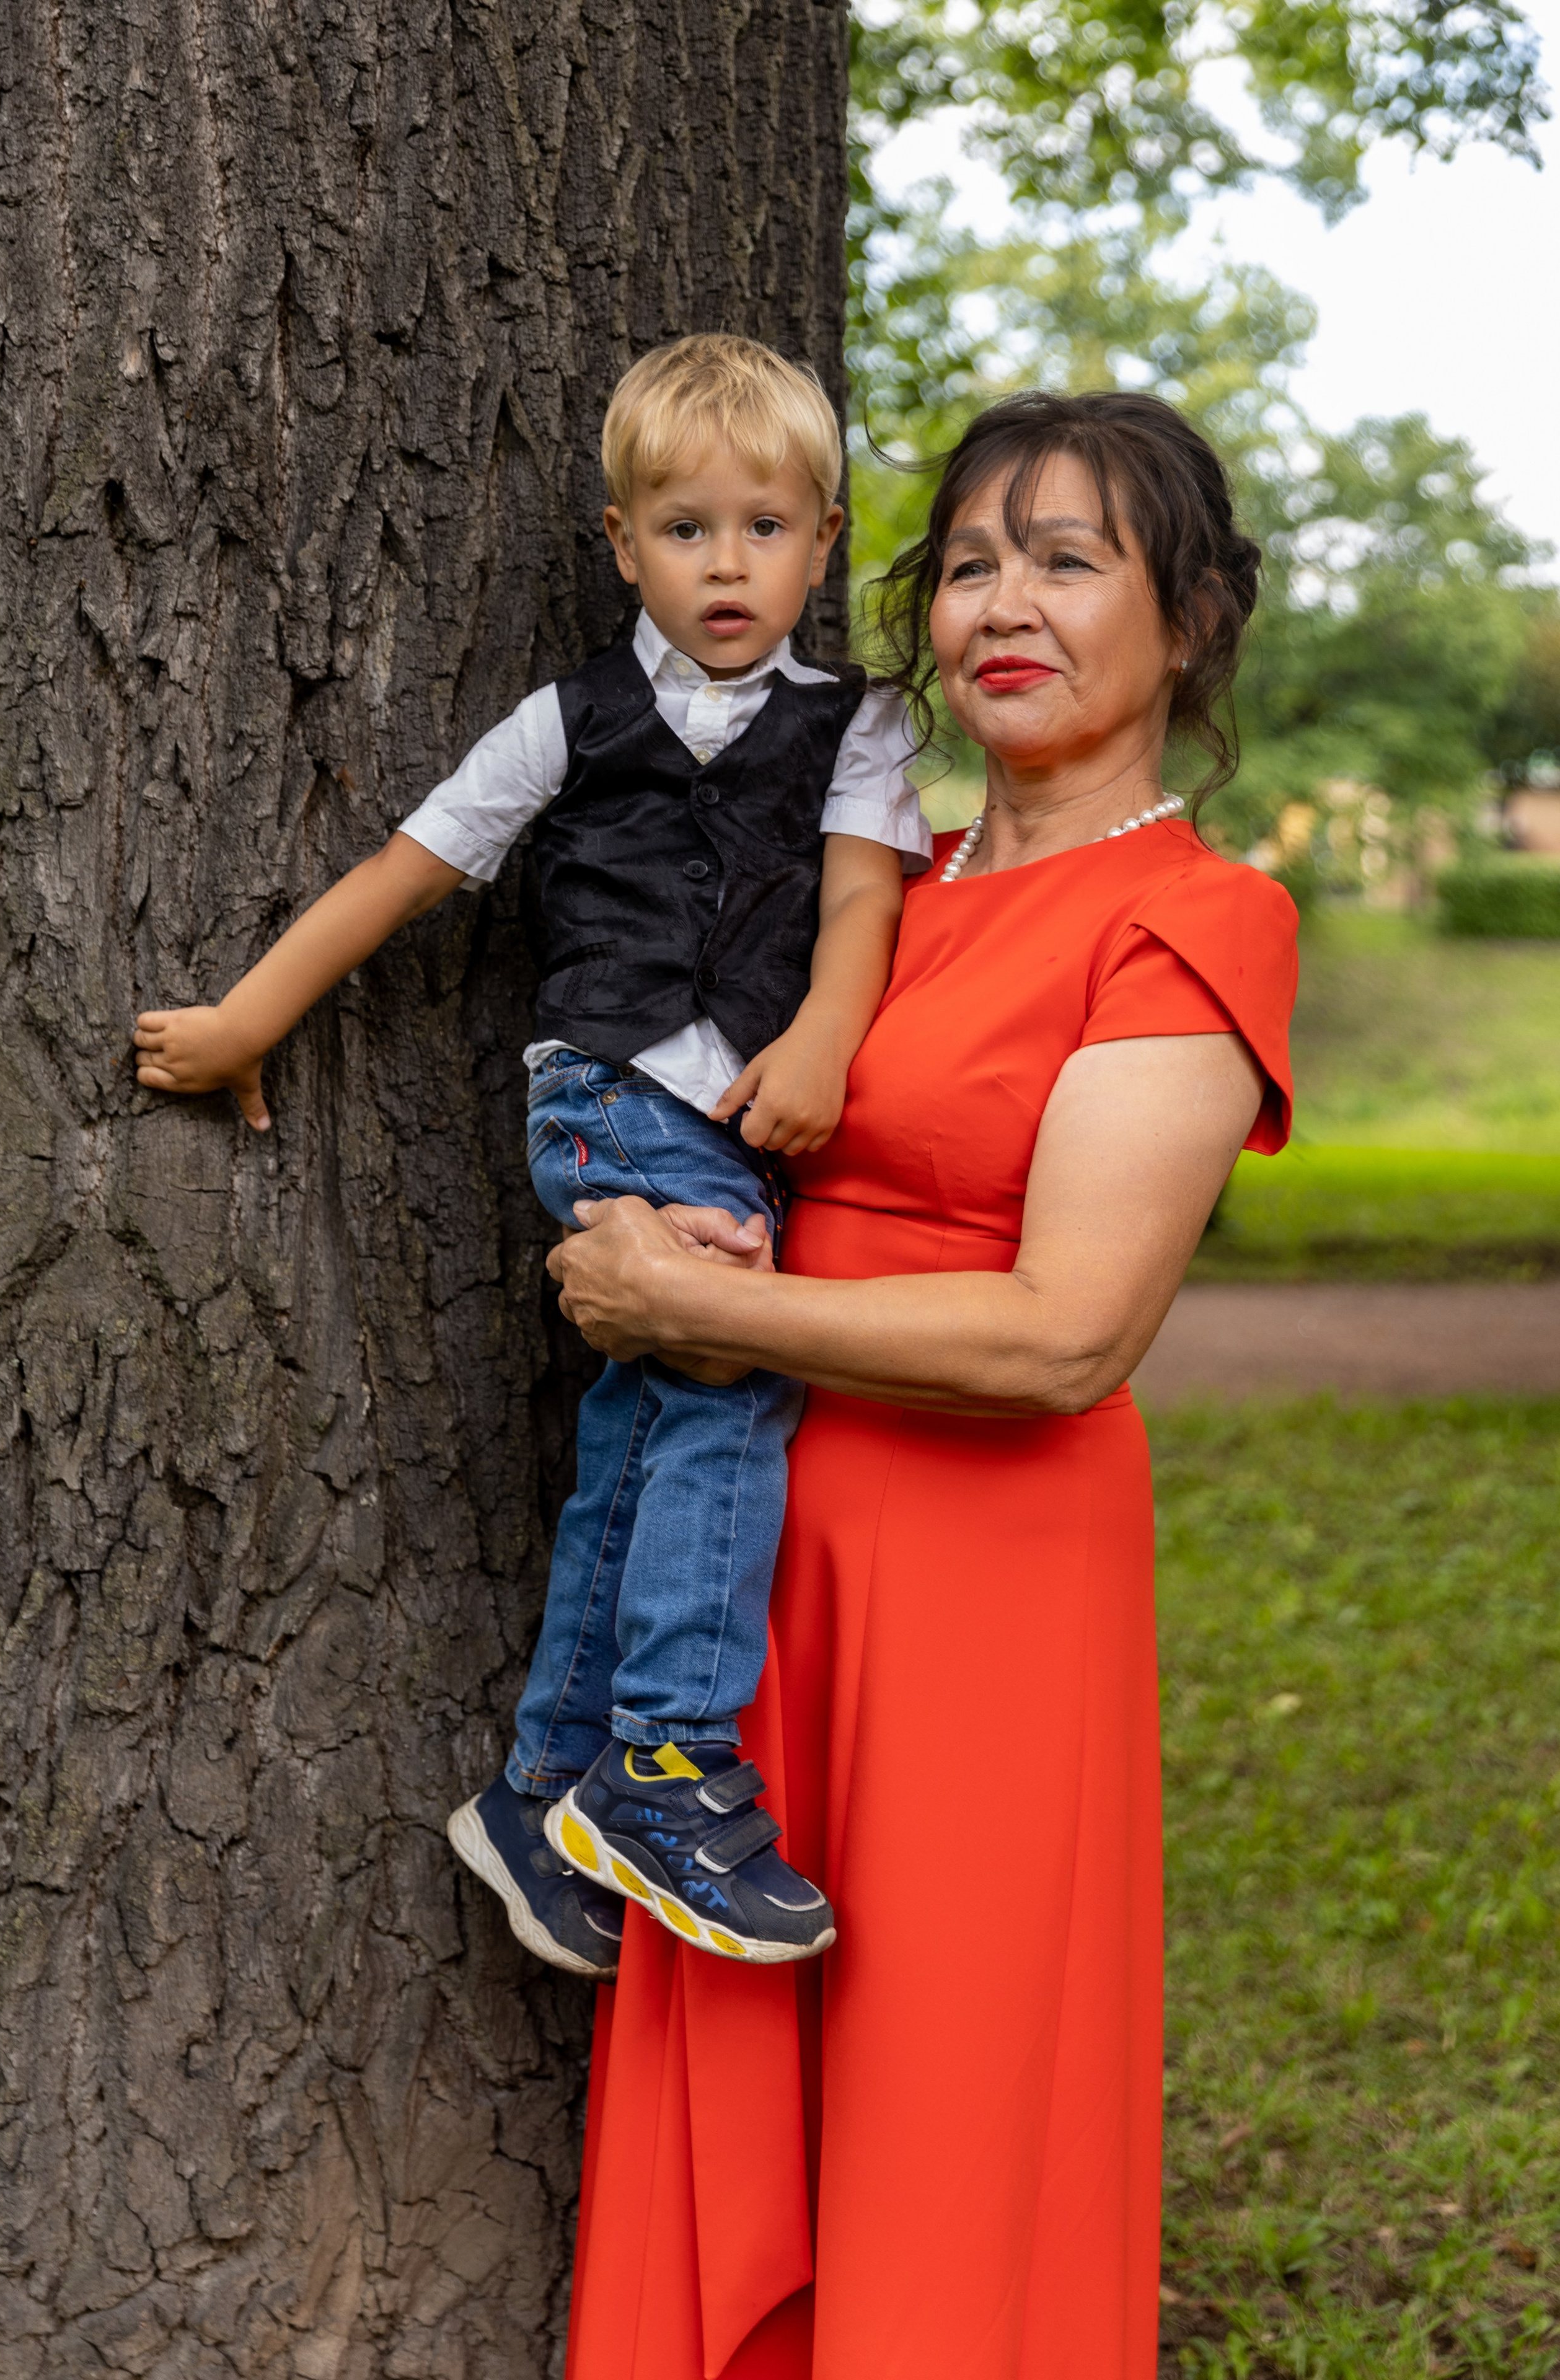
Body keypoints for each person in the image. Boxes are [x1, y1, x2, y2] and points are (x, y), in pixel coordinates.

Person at [537, 389, 1300, 2379]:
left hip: (983, 1585)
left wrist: (695, 1312)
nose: (1002, 606)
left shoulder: (1200, 917)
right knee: (738, 2078)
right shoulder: (868, 882)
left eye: (1068, 560)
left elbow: (1067, 1334)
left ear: (1194, 618)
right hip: (756, 1565)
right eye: (968, 564)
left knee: (943, 2110)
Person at [130, 333, 931, 1981]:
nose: (728, 560)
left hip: (749, 1112)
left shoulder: (860, 725)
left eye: (766, 528)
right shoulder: (570, 718)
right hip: (611, 1093)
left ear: (825, 541)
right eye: (688, 527)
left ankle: (539, 1786)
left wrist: (832, 1040)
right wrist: (246, 1019)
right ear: (626, 542)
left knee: (646, 1430)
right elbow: (403, 873)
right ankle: (667, 1758)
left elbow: (861, 902)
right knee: (732, 1376)